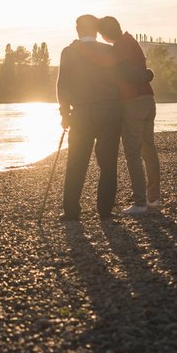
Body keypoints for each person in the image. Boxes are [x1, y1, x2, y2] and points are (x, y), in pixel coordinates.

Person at [76, 16, 160, 215]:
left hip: (134, 101)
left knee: (133, 152)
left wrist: (83, 49)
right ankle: (153, 198)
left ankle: (140, 203)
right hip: (148, 99)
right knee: (148, 149)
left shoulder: (122, 45)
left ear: (105, 34)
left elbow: (105, 62)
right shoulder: (131, 41)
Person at [56, 15, 122, 220]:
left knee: (76, 162)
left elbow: (62, 85)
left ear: (77, 30)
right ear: (96, 30)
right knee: (108, 163)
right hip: (110, 112)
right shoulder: (109, 51)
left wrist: (64, 112)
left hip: (83, 113)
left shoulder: (69, 52)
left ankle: (72, 211)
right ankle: (105, 210)